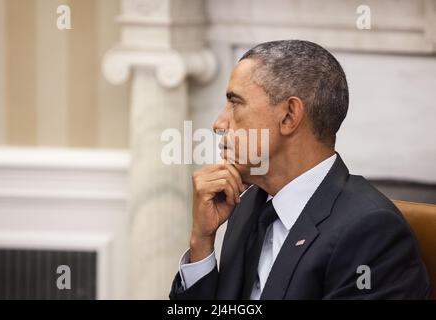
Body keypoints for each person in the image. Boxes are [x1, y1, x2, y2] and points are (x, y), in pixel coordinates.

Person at [169, 40, 430, 299]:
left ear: (289, 116)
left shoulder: (372, 232)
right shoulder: (246, 205)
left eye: (235, 103)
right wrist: (201, 240)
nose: (219, 124)